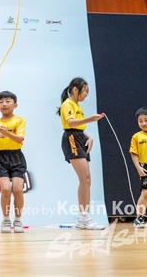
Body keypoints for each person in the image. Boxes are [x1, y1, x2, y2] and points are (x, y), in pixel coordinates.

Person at [57, 77, 105, 230]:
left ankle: (83, 218)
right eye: (85, 91)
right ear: (75, 89)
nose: (86, 94)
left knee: (87, 179)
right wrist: (91, 119)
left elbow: (79, 127)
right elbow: (70, 123)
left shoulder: (77, 105)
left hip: (79, 137)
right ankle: (83, 218)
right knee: (85, 178)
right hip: (71, 138)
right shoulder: (68, 104)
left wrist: (88, 137)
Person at [0, 91, 27, 233]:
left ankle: (18, 220)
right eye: (1, 102)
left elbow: (19, 139)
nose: (4, 104)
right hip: (0, 158)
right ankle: (6, 220)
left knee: (18, 189)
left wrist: (6, 133)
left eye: (8, 101)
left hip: (16, 156)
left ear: (15, 105)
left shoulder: (19, 120)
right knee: (6, 189)